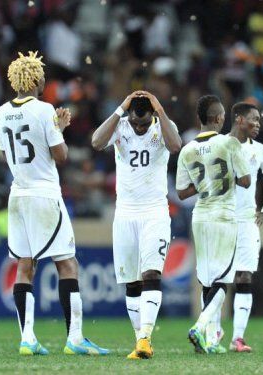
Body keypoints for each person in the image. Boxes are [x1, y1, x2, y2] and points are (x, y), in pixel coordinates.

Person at [0, 51, 108, 356]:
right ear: (35, 79)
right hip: (44, 195)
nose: (45, 78)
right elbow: (61, 156)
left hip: (18, 195)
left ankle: (27, 339)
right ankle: (75, 338)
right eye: (41, 74)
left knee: (24, 266)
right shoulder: (44, 110)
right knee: (67, 263)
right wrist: (57, 128)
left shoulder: (1, 113)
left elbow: (7, 156)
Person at [91, 90, 182, 359]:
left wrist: (161, 110)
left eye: (144, 123)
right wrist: (121, 108)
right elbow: (96, 142)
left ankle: (145, 338)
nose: (139, 127)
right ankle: (140, 340)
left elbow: (175, 146)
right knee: (131, 283)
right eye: (135, 122)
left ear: (152, 115)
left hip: (154, 211)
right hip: (125, 213)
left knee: (151, 274)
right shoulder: (121, 125)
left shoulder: (163, 127)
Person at [176, 95, 251, 354]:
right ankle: (200, 327)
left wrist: (204, 182)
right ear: (219, 118)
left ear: (199, 118)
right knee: (222, 280)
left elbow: (182, 192)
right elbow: (246, 181)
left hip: (200, 216)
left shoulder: (187, 149)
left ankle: (209, 341)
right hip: (224, 216)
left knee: (207, 279)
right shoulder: (229, 143)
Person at [211, 102, 263, 353]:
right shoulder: (215, 145)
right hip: (218, 219)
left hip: (246, 220)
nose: (258, 124)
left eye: (260, 120)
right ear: (239, 119)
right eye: (254, 119)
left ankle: (237, 338)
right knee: (216, 278)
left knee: (244, 276)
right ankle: (212, 333)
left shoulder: (261, 150)